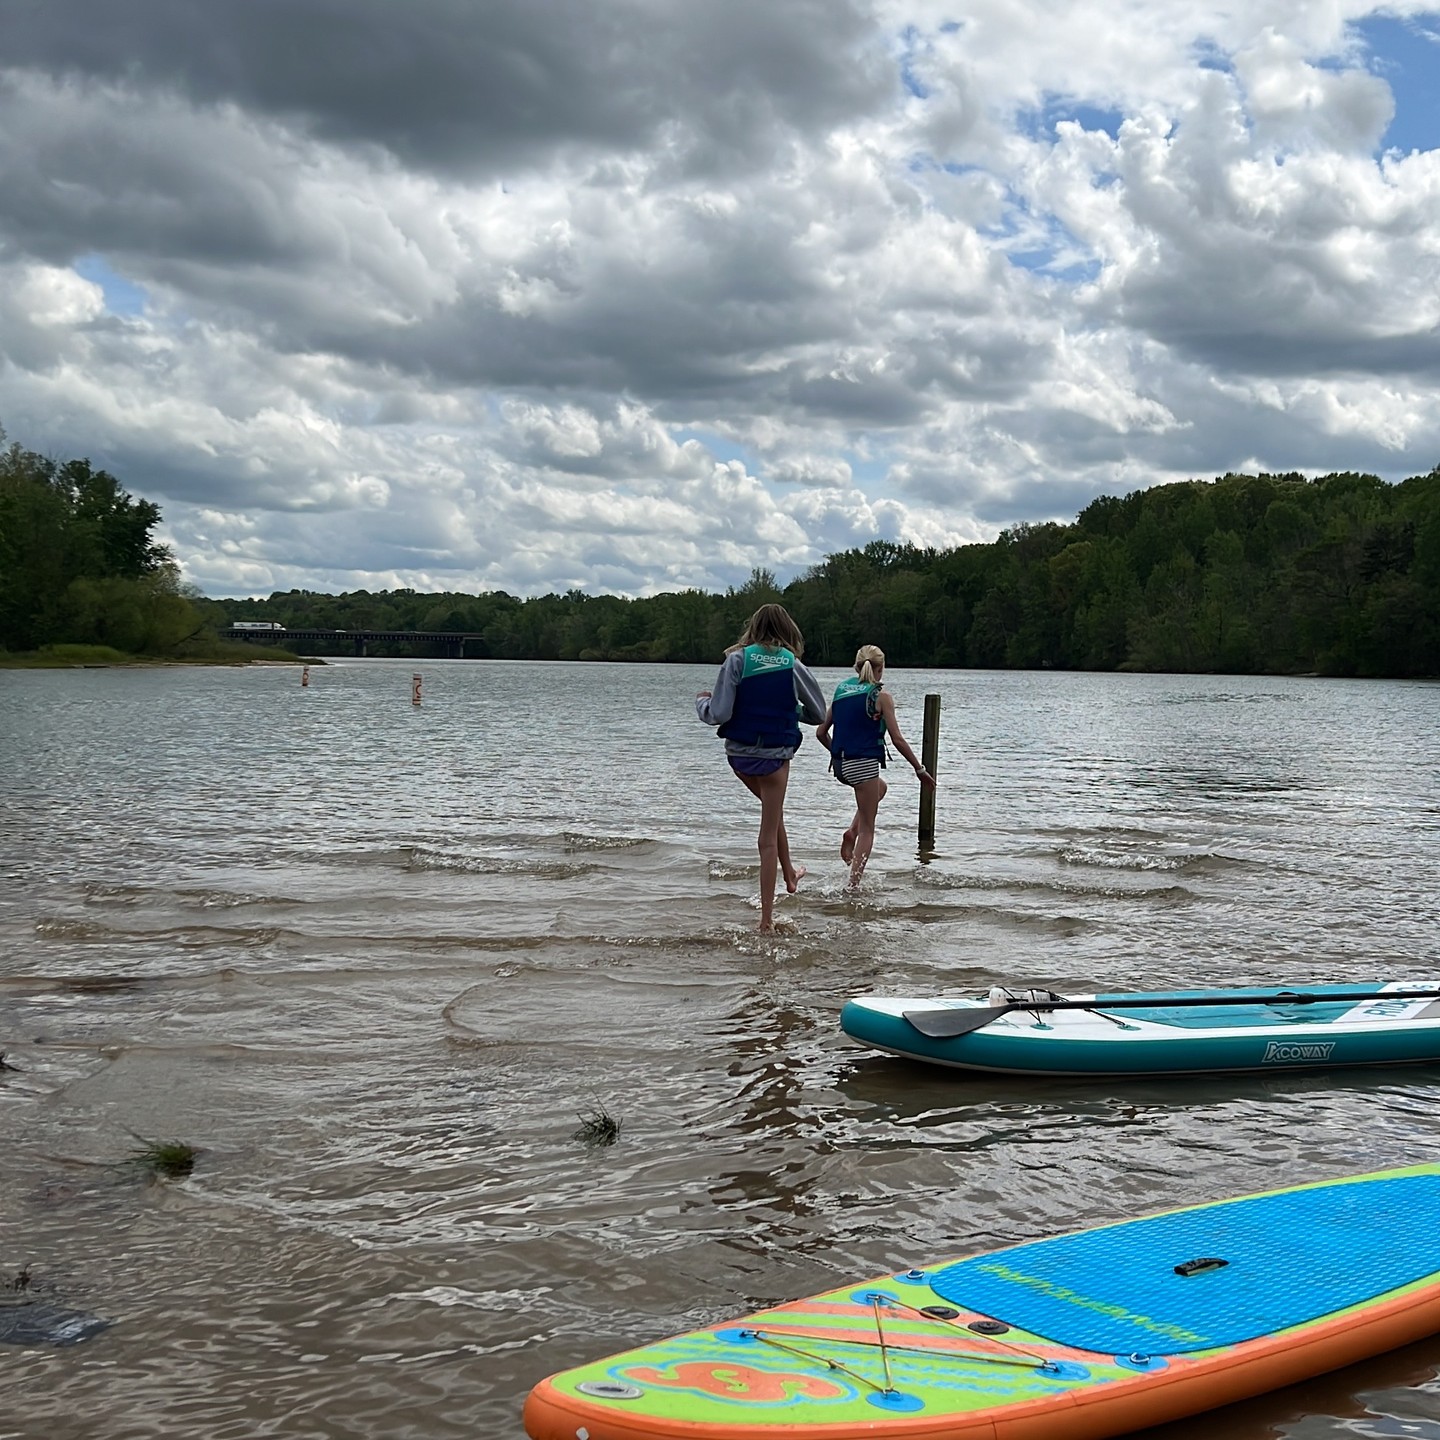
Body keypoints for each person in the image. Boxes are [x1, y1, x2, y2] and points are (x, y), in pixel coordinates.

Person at [696, 604, 827, 932]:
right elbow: (819, 714)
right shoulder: (791, 663)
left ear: (752, 628)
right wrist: (786, 710)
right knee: (767, 835)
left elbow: (720, 713)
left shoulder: (736, 660)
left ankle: (791, 874)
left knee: (773, 813)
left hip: (740, 758)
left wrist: (702, 702)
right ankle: (766, 920)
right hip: (775, 757)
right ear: (787, 630)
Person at [816, 644, 936, 890]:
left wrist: (840, 757)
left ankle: (851, 832)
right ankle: (853, 886)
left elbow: (820, 732)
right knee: (869, 830)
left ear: (856, 667)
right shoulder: (882, 697)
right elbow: (897, 739)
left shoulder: (841, 692)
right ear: (880, 669)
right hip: (863, 766)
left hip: (840, 767)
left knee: (880, 789)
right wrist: (920, 769)